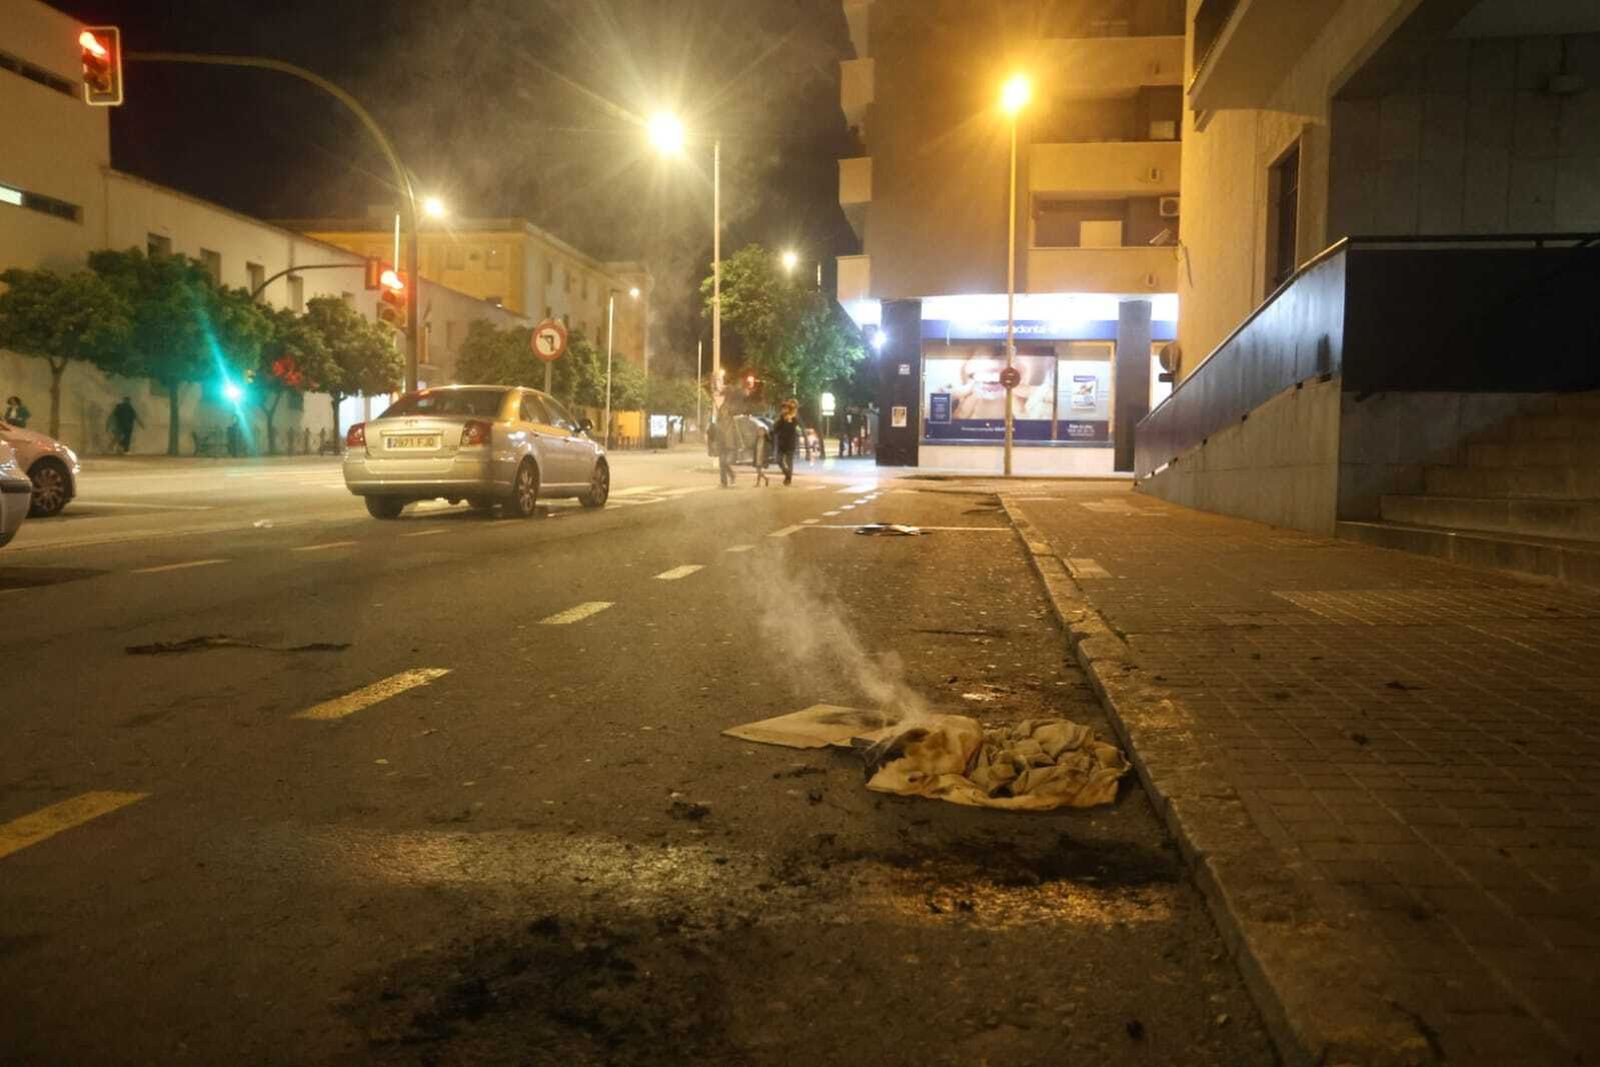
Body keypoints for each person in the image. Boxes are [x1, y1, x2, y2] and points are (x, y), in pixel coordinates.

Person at [772, 400, 801, 486]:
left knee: (789, 462)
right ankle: (787, 474)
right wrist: (781, 419)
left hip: (790, 445)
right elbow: (775, 429)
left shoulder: (794, 419)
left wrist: (790, 418)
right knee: (778, 460)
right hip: (781, 444)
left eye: (785, 408)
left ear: (789, 409)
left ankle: (788, 479)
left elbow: (796, 428)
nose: (784, 410)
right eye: (783, 409)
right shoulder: (781, 419)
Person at [714, 413, 738, 488]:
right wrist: (716, 446)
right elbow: (717, 436)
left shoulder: (733, 423)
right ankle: (724, 482)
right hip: (722, 446)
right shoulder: (719, 424)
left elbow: (737, 434)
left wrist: (739, 444)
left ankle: (732, 475)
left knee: (726, 462)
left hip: (730, 446)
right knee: (722, 464)